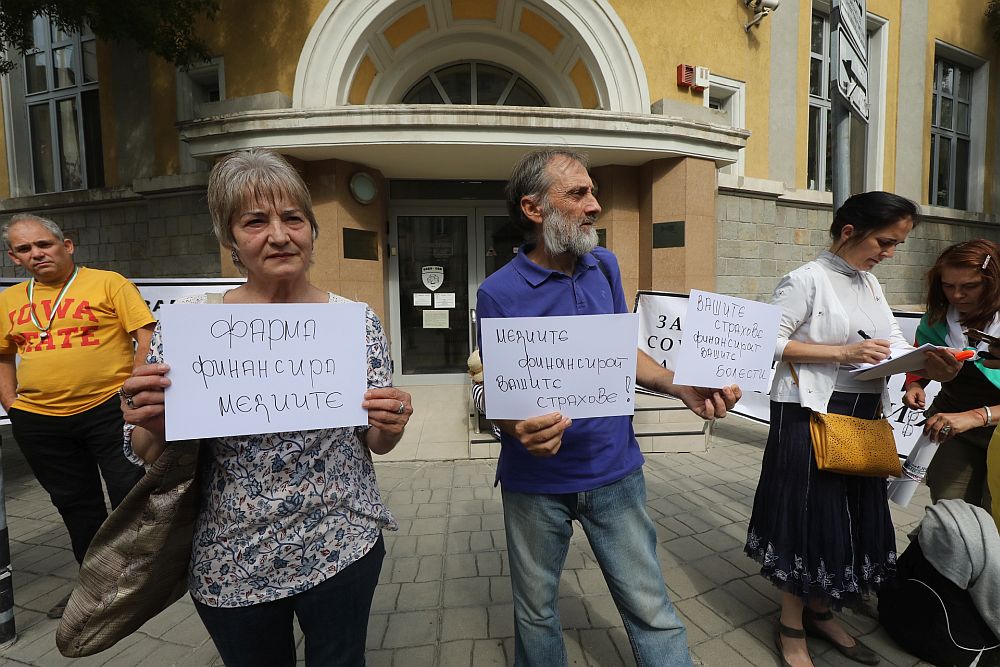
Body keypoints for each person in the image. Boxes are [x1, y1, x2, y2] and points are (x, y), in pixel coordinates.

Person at [119, 149, 411, 667]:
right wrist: (153, 420)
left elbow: (376, 441)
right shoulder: (192, 328)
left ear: (312, 231)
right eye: (255, 221)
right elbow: (145, 451)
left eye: (293, 218)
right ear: (230, 239)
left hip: (342, 542)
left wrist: (391, 424)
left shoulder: (354, 322)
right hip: (232, 555)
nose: (279, 235)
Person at [475, 148, 741, 667]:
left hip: (615, 470)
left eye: (593, 191)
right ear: (534, 209)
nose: (595, 205)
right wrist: (514, 426)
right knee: (536, 614)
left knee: (650, 606)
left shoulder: (605, 266)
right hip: (536, 485)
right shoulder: (498, 292)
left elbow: (618, 349)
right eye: (578, 194)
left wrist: (679, 385)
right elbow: (498, 396)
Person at [743, 191, 963, 667]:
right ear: (849, 232)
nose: (888, 253)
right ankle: (790, 625)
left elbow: (894, 339)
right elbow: (767, 342)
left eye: (896, 244)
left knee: (845, 517)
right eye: (885, 242)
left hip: (863, 415)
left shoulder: (869, 283)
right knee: (808, 517)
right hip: (809, 414)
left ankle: (821, 613)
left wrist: (917, 372)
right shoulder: (805, 280)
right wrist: (841, 354)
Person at [0, 214, 153, 618]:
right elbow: (3, 356)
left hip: (109, 409)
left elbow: (146, 335)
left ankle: (140, 582)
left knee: (129, 495)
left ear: (66, 245)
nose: (37, 254)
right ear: (14, 258)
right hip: (39, 419)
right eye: (25, 249)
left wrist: (135, 393)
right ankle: (95, 587)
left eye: (44, 245)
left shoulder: (108, 283)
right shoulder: (9, 300)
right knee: (75, 503)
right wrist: (11, 403)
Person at [902, 240, 1000, 508]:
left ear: (993, 282)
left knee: (994, 517)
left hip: (994, 428)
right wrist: (915, 385)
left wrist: (978, 416)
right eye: (948, 286)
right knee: (950, 512)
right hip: (951, 426)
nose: (957, 295)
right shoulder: (937, 317)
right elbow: (920, 358)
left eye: (969, 286)